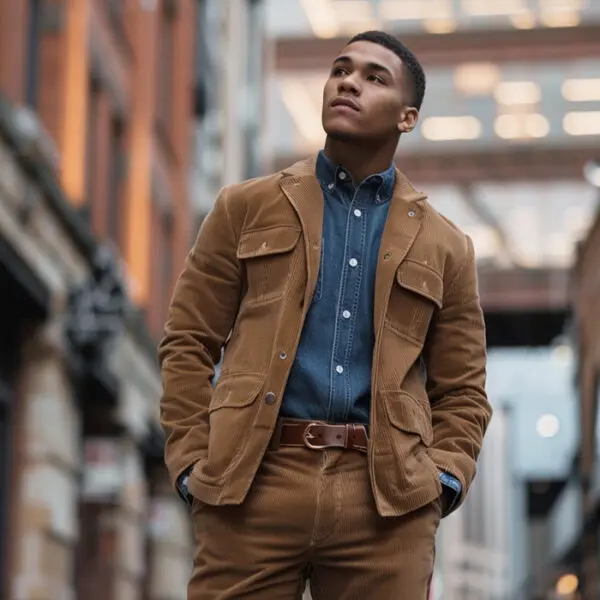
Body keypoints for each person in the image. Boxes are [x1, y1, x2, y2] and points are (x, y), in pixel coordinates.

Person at [159, 30, 492, 600]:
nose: (348, 82)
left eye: (373, 77)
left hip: (387, 502)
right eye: (341, 69)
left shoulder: (446, 246)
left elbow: (462, 390)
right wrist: (193, 464)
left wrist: (440, 484)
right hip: (251, 483)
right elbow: (187, 341)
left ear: (407, 118)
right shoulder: (244, 207)